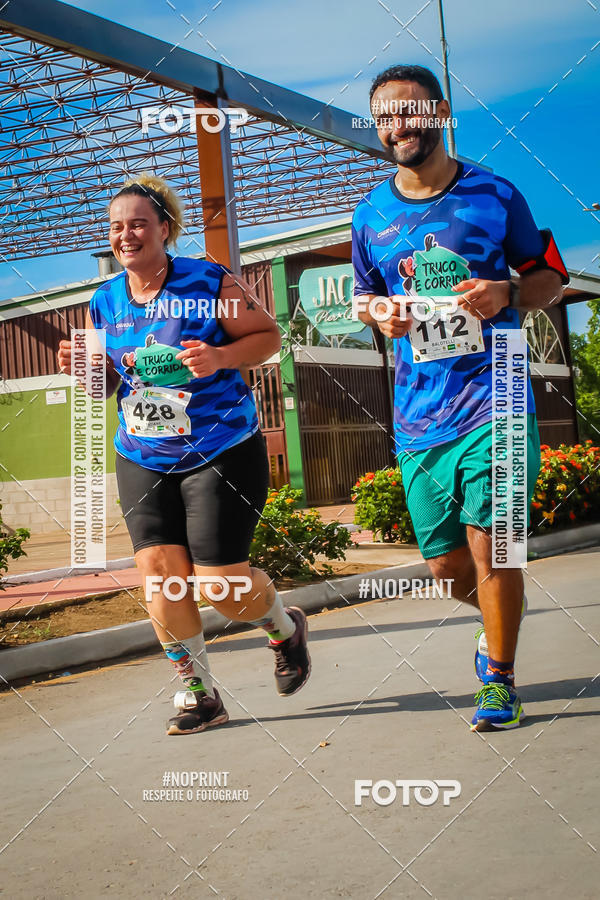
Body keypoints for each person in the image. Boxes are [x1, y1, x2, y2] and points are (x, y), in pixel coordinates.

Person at [352, 65, 568, 730]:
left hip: (497, 388)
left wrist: (506, 293)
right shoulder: (371, 214)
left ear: (440, 113)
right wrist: (379, 314)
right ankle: (499, 621)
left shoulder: (495, 195)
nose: (397, 127)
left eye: (409, 112)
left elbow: (549, 277)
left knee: (495, 542)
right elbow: (364, 297)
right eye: (384, 117)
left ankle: (498, 680)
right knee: (447, 564)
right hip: (421, 410)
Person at [58, 174, 310, 736]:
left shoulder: (206, 279)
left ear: (164, 229)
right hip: (143, 453)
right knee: (159, 577)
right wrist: (83, 370)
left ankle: (282, 626)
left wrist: (220, 356)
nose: (127, 235)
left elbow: (268, 337)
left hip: (220, 446)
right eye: (117, 227)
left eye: (139, 224)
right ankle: (200, 692)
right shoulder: (105, 300)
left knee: (223, 589)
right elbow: (103, 388)